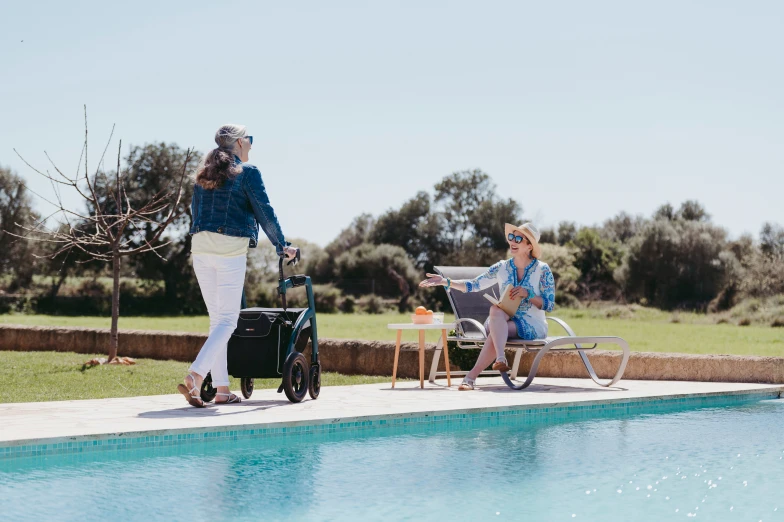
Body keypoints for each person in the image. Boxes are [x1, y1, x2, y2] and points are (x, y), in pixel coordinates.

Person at [177, 124, 298, 407]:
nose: (252, 146)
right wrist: (283, 245)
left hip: (201, 249)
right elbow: (264, 210)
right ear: (240, 143)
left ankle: (221, 390)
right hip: (228, 250)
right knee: (228, 320)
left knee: (217, 320)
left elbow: (195, 212)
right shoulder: (248, 173)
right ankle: (196, 374)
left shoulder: (202, 173)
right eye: (250, 140)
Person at [419, 222, 555, 390]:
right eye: (511, 237)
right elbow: (474, 285)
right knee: (496, 310)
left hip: (532, 325)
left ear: (529, 246)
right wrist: (446, 281)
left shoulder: (542, 270)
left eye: (518, 238)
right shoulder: (502, 267)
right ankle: (498, 359)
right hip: (502, 320)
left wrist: (528, 294)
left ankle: (472, 377)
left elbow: (549, 304)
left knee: (495, 327)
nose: (512, 241)